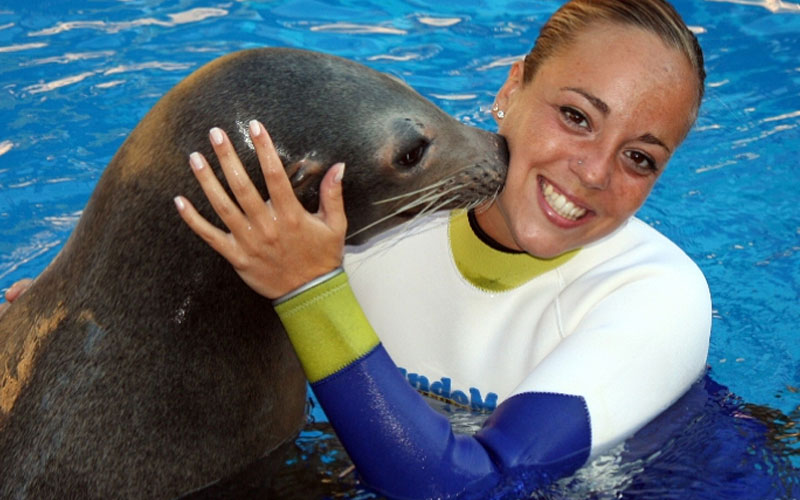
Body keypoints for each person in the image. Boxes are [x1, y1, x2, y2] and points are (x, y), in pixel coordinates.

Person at [7, 0, 711, 497]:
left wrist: (309, 292)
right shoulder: (356, 228)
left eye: (641, 158)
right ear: (512, 86)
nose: (592, 171)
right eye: (575, 116)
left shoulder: (656, 300)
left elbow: (470, 488)